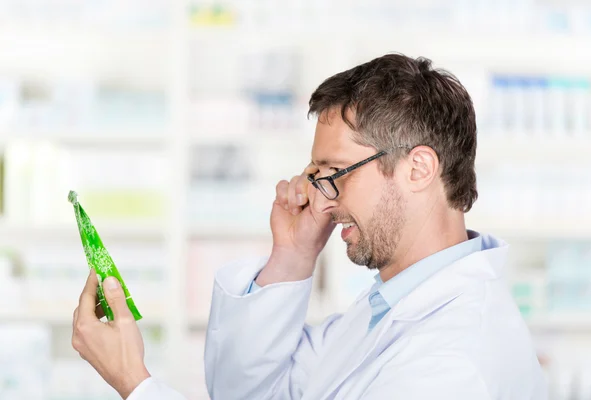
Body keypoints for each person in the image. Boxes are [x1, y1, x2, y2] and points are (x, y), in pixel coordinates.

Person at [72, 53, 548, 399]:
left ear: (418, 169)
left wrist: (135, 383)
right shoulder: (389, 304)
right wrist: (292, 257)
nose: (322, 198)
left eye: (335, 173)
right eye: (317, 176)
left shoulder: (453, 362)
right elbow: (246, 392)